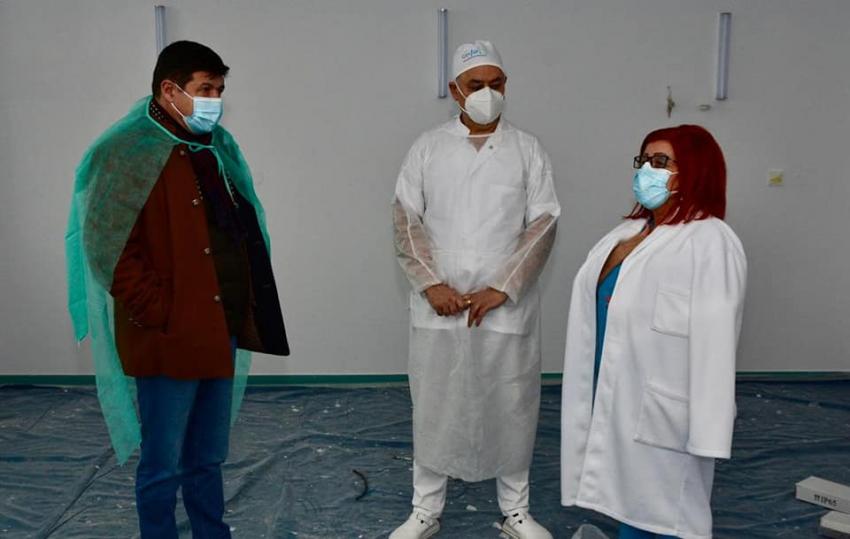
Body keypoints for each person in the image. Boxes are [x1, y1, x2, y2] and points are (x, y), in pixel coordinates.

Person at [65, 40, 289, 538]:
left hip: (219, 328)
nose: (215, 100)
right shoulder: (124, 152)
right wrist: (160, 312)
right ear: (170, 90)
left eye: (220, 90)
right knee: (162, 463)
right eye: (205, 89)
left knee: (208, 457)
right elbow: (106, 249)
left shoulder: (215, 146)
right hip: (168, 337)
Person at [390, 40, 560, 539]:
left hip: (504, 307)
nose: (488, 92)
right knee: (435, 404)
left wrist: (502, 287)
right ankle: (425, 510)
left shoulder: (527, 150)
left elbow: (543, 224)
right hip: (438, 306)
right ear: (454, 90)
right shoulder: (428, 147)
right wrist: (430, 284)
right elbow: (405, 219)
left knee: (512, 403)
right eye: (476, 84)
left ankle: (515, 511)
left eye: (496, 83)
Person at [559, 125, 747, 539]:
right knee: (630, 501)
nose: (647, 170)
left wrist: (711, 431)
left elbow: (716, 342)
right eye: (643, 160)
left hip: (665, 412)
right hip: (614, 386)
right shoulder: (627, 233)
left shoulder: (711, 240)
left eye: (660, 162)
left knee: (666, 510)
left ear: (694, 170)